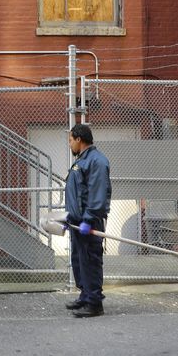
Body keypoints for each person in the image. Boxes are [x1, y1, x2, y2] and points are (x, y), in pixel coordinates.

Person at [64, 123, 112, 318]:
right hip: (77, 222)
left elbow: (98, 193)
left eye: (70, 140)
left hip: (88, 222)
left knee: (90, 260)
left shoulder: (96, 161)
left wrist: (89, 218)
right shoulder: (81, 161)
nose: (69, 145)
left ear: (79, 139)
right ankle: (85, 296)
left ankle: (94, 304)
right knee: (80, 260)